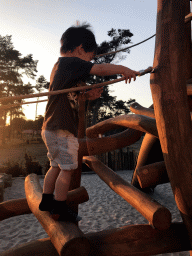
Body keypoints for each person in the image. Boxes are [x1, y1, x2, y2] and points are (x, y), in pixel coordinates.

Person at [39, 23, 140, 222]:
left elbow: (73, 95)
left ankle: (46, 200)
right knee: (68, 170)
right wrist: (122, 69)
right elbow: (101, 69)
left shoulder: (59, 68)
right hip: (61, 129)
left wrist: (88, 94)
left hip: (49, 128)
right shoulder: (71, 63)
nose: (89, 62)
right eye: (89, 57)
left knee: (56, 166)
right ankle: (59, 207)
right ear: (80, 50)